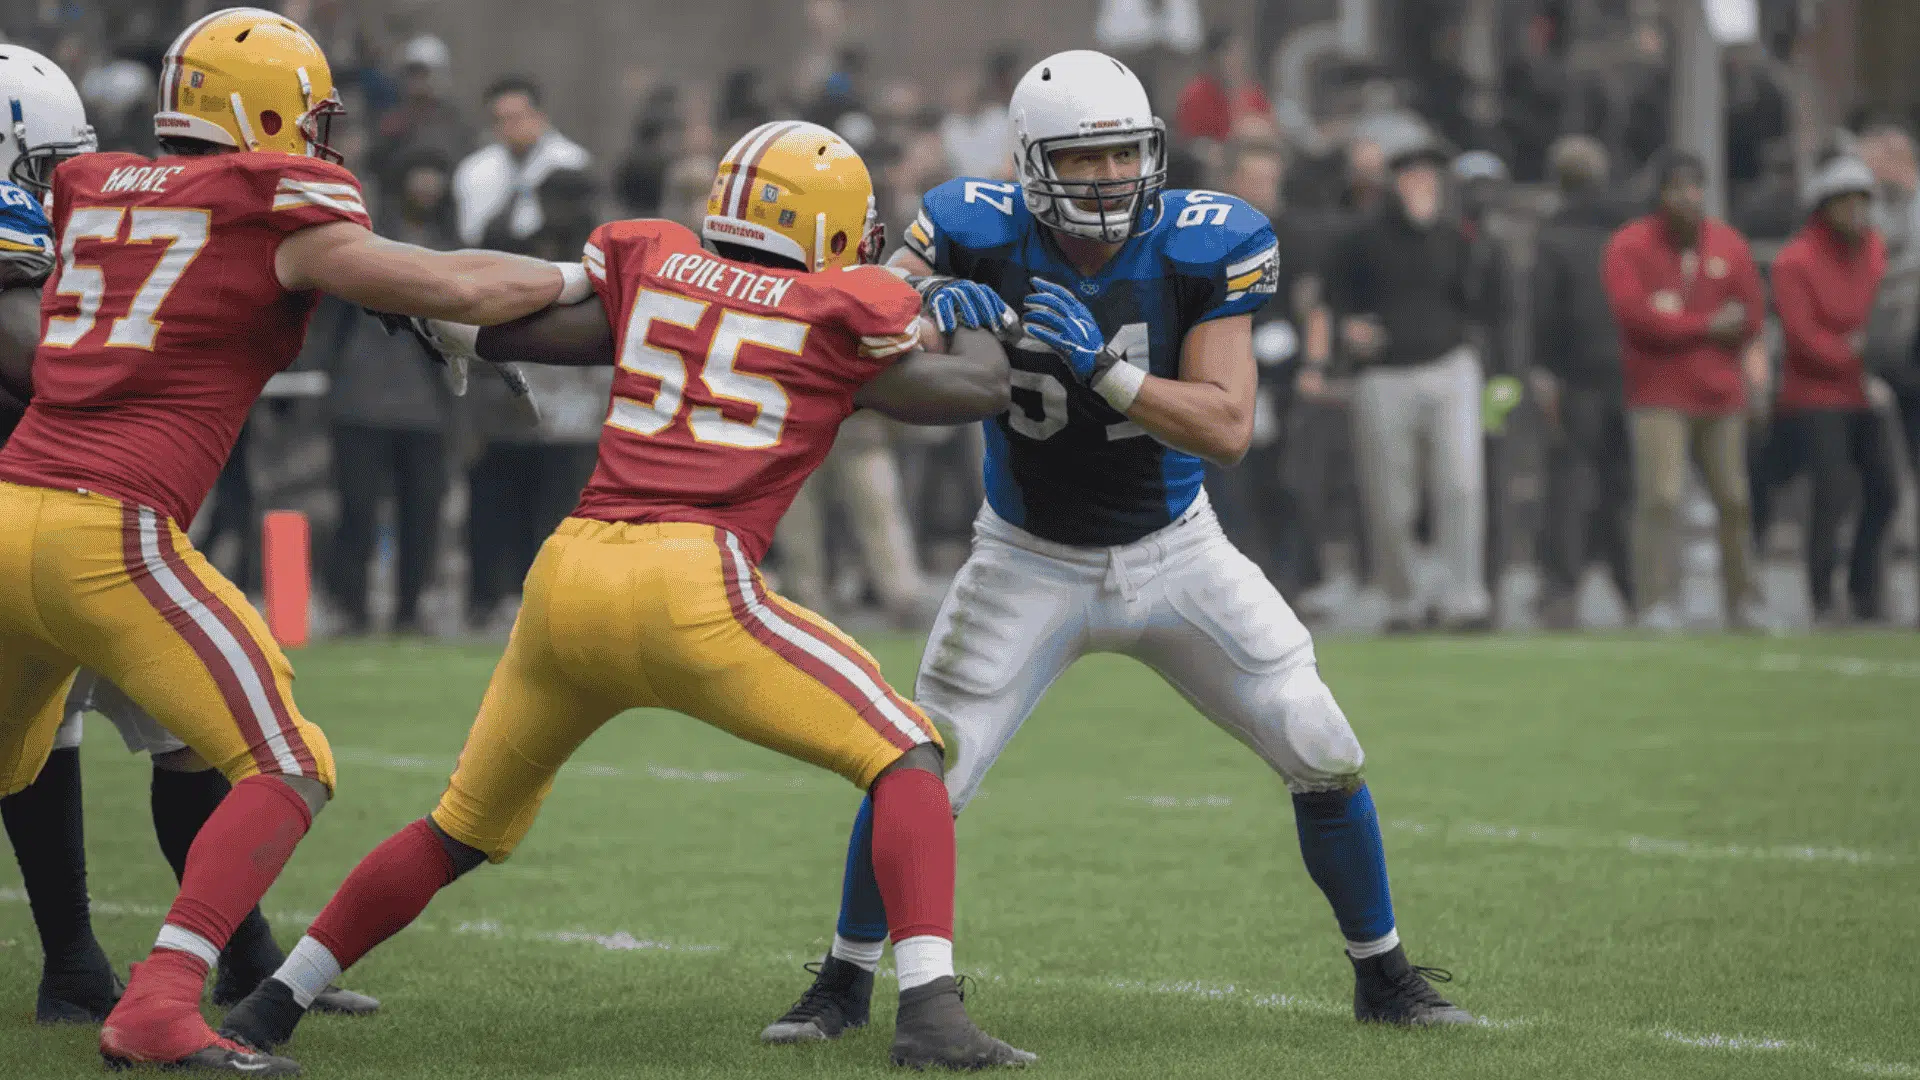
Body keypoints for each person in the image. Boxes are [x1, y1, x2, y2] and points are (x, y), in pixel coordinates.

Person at [217, 120, 1034, 1071]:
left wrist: (449, 321)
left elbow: (525, 327)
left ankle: (273, 1005)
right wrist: (979, 317)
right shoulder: (838, 307)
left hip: (569, 579)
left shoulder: (660, 264)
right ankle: (931, 1015)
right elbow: (970, 391)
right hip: (694, 585)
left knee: (458, 827)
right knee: (908, 754)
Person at [759, 50, 1472, 1049]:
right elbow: (849, 333)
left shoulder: (1203, 241)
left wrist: (1103, 370)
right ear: (1027, 165)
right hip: (1025, 556)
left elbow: (1226, 427)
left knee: (1322, 743)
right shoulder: (970, 223)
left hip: (1177, 547)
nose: (1108, 181)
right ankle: (841, 984)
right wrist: (913, 317)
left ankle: (1386, 976)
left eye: (1123, 157)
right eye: (1083, 161)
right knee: (921, 768)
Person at [0, 10, 598, 1072]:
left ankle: (180, 971)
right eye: (308, 117)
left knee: (24, 764)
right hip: (108, 532)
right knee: (290, 763)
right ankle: (160, 1004)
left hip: (12, 513)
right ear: (263, 110)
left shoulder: (91, 191)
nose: (321, 139)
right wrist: (586, 277)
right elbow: (461, 286)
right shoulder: (282, 209)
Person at [0, 40, 378, 1031]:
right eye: (45, 159)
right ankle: (77, 964)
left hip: (69, 515)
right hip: (61, 520)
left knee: (184, 739)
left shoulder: (88, 209)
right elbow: (37, 358)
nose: (54, 178)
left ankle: (237, 955)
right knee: (67, 742)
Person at [1327, 126, 1496, 632]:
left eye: (1429, 174)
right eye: (1411, 173)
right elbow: (1333, 303)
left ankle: (1464, 598)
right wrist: (1345, 331)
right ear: (1394, 181)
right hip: (1384, 375)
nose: (1422, 183)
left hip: (1449, 366)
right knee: (1391, 496)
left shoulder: (1455, 238)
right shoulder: (1359, 239)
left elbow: (1477, 301)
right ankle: (1402, 600)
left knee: (1462, 486)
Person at [1602, 150, 1768, 631]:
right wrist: (1705, 326)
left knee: (1734, 499)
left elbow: (1751, 315)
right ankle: (1657, 600)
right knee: (1661, 498)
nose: (1688, 197)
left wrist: (1685, 324)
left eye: (1695, 187)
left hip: (1720, 394)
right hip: (1657, 393)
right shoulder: (1630, 245)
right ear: (1659, 194)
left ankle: (1744, 602)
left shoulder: (1728, 244)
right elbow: (1636, 318)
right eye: (1677, 187)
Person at [323, 150, 462, 635]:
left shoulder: (455, 248)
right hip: (359, 401)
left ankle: (409, 609)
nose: (427, 190)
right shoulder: (363, 244)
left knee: (421, 516)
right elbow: (329, 325)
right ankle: (351, 609)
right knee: (356, 510)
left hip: (426, 409)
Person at [1761, 156, 1896, 625]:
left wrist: (1874, 358)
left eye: (1863, 202)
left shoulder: (1877, 251)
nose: (1856, 212)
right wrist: (1857, 359)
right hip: (1817, 396)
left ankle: (1865, 589)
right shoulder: (1796, 260)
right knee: (1833, 494)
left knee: (1885, 492)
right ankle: (1821, 595)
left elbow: (1884, 316)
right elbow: (1803, 337)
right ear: (1825, 207)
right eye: (1845, 202)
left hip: (1869, 392)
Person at [1532, 135, 1634, 628]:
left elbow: (1544, 314)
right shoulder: (1628, 233)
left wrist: (1543, 370)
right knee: (1624, 485)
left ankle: (1562, 586)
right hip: (1631, 371)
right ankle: (1634, 587)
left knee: (1570, 483)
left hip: (1575, 375)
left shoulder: (1553, 238)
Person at [451, 75, 590, 248]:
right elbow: (471, 233)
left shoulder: (570, 163)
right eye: (502, 119)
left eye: (518, 117)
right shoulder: (474, 170)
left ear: (540, 116)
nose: (511, 127)